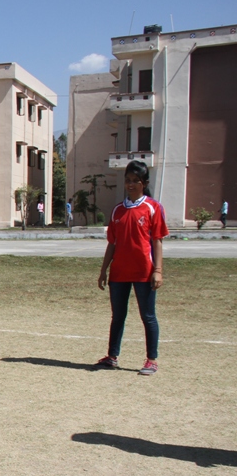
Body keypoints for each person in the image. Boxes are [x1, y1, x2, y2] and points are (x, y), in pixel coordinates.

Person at [95, 160, 168, 375]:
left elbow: (157, 241)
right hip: (119, 273)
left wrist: (158, 270)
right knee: (118, 316)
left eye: (135, 181)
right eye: (127, 180)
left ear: (144, 183)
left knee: (148, 316)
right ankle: (112, 357)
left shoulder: (153, 208)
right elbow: (112, 243)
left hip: (144, 272)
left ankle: (151, 360)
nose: (131, 184)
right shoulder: (118, 210)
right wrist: (103, 270)